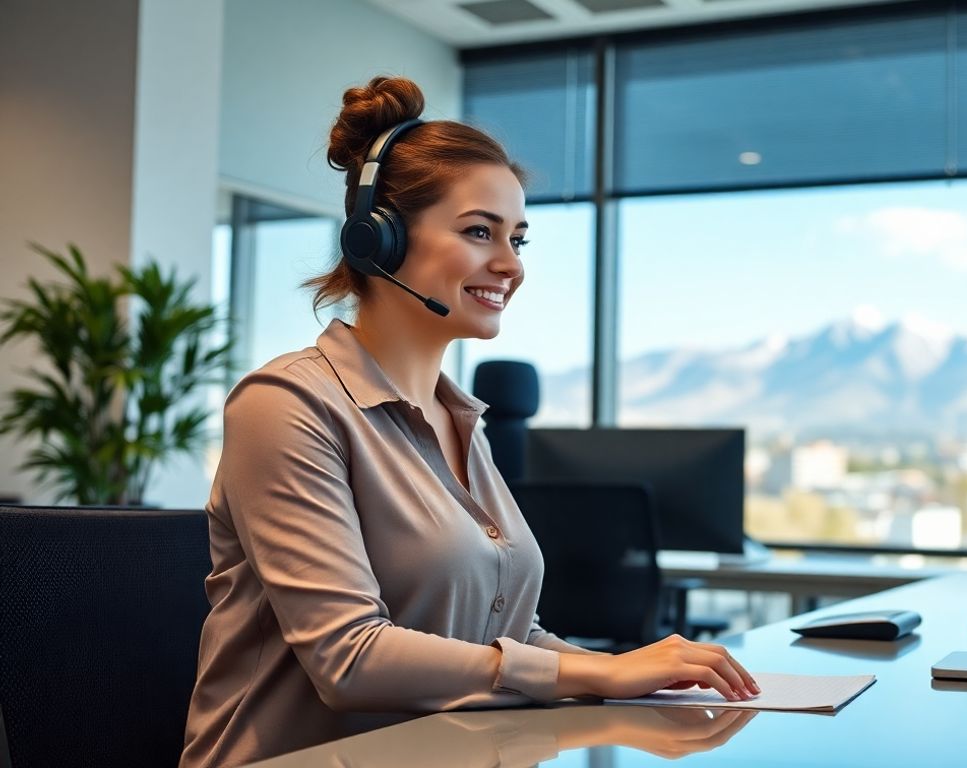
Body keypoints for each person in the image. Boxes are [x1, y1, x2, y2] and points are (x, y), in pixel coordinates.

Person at [179, 75, 758, 768]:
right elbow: (349, 657)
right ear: (378, 241)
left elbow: (508, 635)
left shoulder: (462, 421)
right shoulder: (287, 405)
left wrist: (635, 675)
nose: (510, 264)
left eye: (518, 237)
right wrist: (600, 674)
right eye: (479, 231)